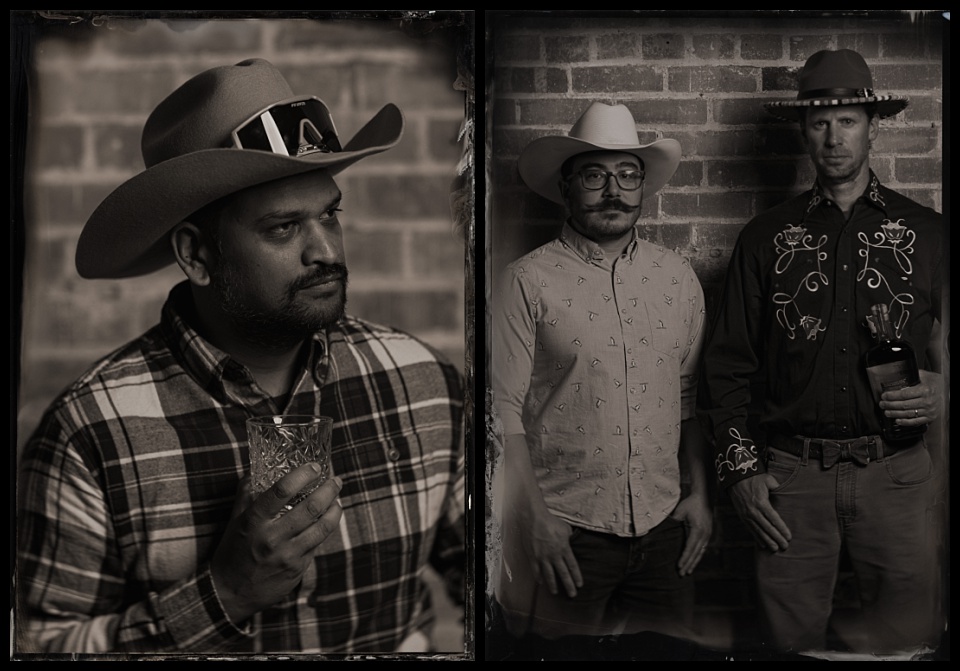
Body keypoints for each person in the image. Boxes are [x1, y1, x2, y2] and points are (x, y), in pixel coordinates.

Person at [16, 58, 465, 654]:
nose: (326, 251)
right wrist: (224, 593)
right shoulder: (90, 434)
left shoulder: (425, 384)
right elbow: (40, 645)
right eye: (283, 229)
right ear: (197, 255)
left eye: (330, 213)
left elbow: (502, 590)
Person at [696, 49, 944, 654]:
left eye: (848, 121)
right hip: (792, 477)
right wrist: (739, 473)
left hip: (897, 474)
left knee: (907, 644)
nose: (834, 138)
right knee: (788, 645)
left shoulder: (929, 232)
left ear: (872, 125)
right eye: (819, 123)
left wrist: (946, 386)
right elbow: (726, 364)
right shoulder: (764, 237)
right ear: (803, 131)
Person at [490, 101, 713, 645]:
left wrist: (700, 494)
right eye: (594, 175)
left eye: (627, 174)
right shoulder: (526, 281)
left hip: (666, 532)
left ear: (643, 186)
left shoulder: (677, 277)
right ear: (566, 187)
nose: (613, 190)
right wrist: (535, 521)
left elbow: (689, 397)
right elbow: (502, 411)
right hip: (568, 533)